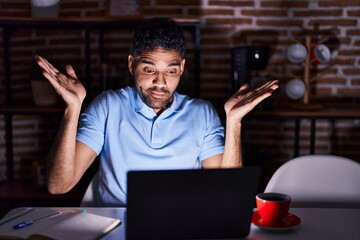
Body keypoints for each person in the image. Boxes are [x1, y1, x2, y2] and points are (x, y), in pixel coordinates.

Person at [35, 17, 279, 206]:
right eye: (149, 70)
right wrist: (72, 109)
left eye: (171, 71)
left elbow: (228, 193)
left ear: (182, 67)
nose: (161, 83)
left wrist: (234, 121)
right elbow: (59, 185)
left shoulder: (202, 113)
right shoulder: (108, 105)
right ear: (132, 64)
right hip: (117, 225)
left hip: (181, 225)